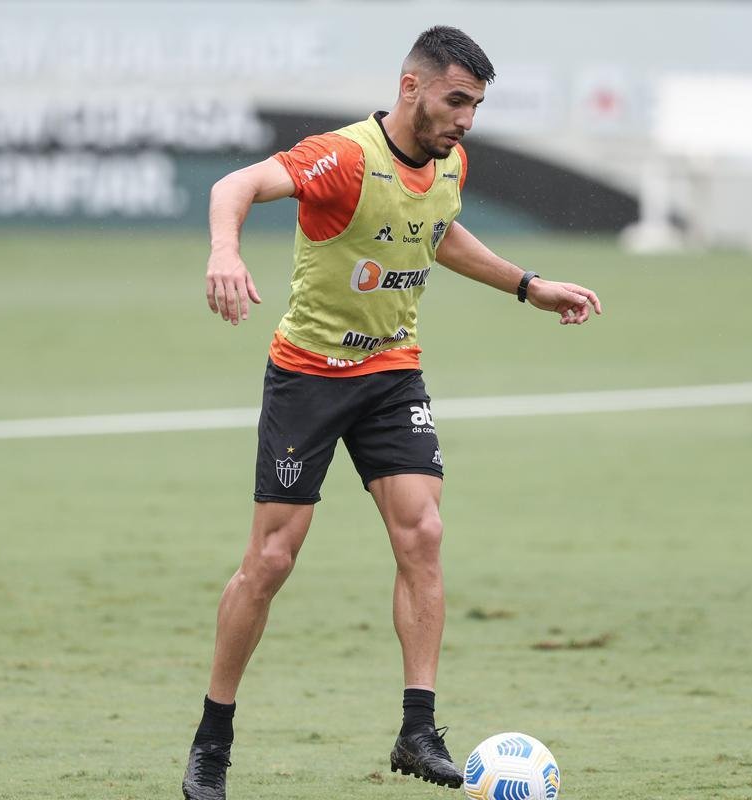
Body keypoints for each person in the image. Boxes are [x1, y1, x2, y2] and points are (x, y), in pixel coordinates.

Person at [184, 25, 602, 800]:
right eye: (455, 100)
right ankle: (213, 738)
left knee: (424, 532)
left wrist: (526, 284)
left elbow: (434, 234)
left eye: (474, 105)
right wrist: (223, 251)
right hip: (309, 374)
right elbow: (230, 187)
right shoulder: (342, 158)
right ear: (410, 88)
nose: (465, 119)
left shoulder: (450, 160)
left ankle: (417, 730)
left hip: (390, 373)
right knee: (271, 561)